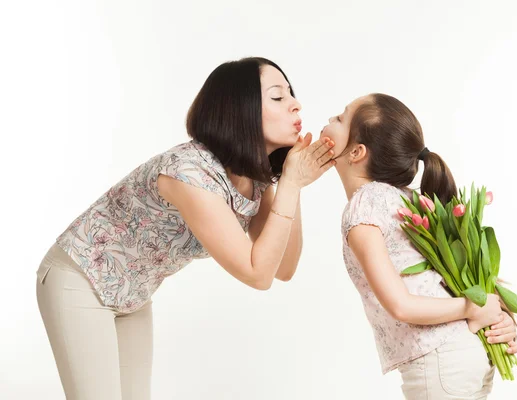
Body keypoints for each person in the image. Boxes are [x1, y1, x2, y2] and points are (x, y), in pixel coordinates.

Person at [36, 57, 336, 400]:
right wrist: (292, 185)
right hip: (80, 276)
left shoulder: (255, 176)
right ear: (240, 110)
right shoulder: (189, 173)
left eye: (291, 94)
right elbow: (258, 274)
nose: (295, 104)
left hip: (133, 293)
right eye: (278, 97)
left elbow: (282, 268)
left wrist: (288, 183)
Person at [320, 93, 517, 399]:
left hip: (440, 360)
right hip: (471, 351)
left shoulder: (363, 207)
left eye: (340, 117)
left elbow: (400, 305)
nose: (330, 120)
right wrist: (493, 313)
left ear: (357, 152)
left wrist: (474, 307)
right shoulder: (411, 202)